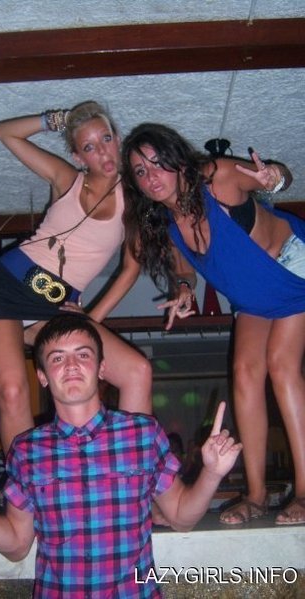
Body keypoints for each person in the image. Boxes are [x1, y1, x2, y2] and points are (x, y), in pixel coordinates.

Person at [0, 314, 241, 598]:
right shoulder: (26, 450)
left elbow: (182, 518)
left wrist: (211, 473)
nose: (71, 365)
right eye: (57, 358)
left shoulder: (143, 434)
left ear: (102, 368)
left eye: (83, 354)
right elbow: (16, 545)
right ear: (42, 375)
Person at [121, 122, 305, 526]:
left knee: (281, 365)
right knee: (244, 373)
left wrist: (274, 177)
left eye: (157, 162)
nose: (152, 176)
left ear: (176, 160)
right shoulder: (168, 225)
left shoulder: (216, 177)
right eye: (140, 171)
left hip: (291, 268)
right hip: (252, 297)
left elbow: (279, 176)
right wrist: (185, 289)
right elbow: (185, 269)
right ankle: (256, 495)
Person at [0, 101, 152, 454]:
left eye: (106, 139)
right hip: (4, 289)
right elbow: (5, 132)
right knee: (12, 391)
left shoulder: (134, 202)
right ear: (78, 156)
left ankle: (131, 473)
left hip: (57, 308)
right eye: (89, 147)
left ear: (118, 138)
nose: (103, 152)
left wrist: (90, 319)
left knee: (137, 371)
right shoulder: (67, 178)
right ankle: (26, 485)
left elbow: (131, 269)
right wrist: (59, 120)